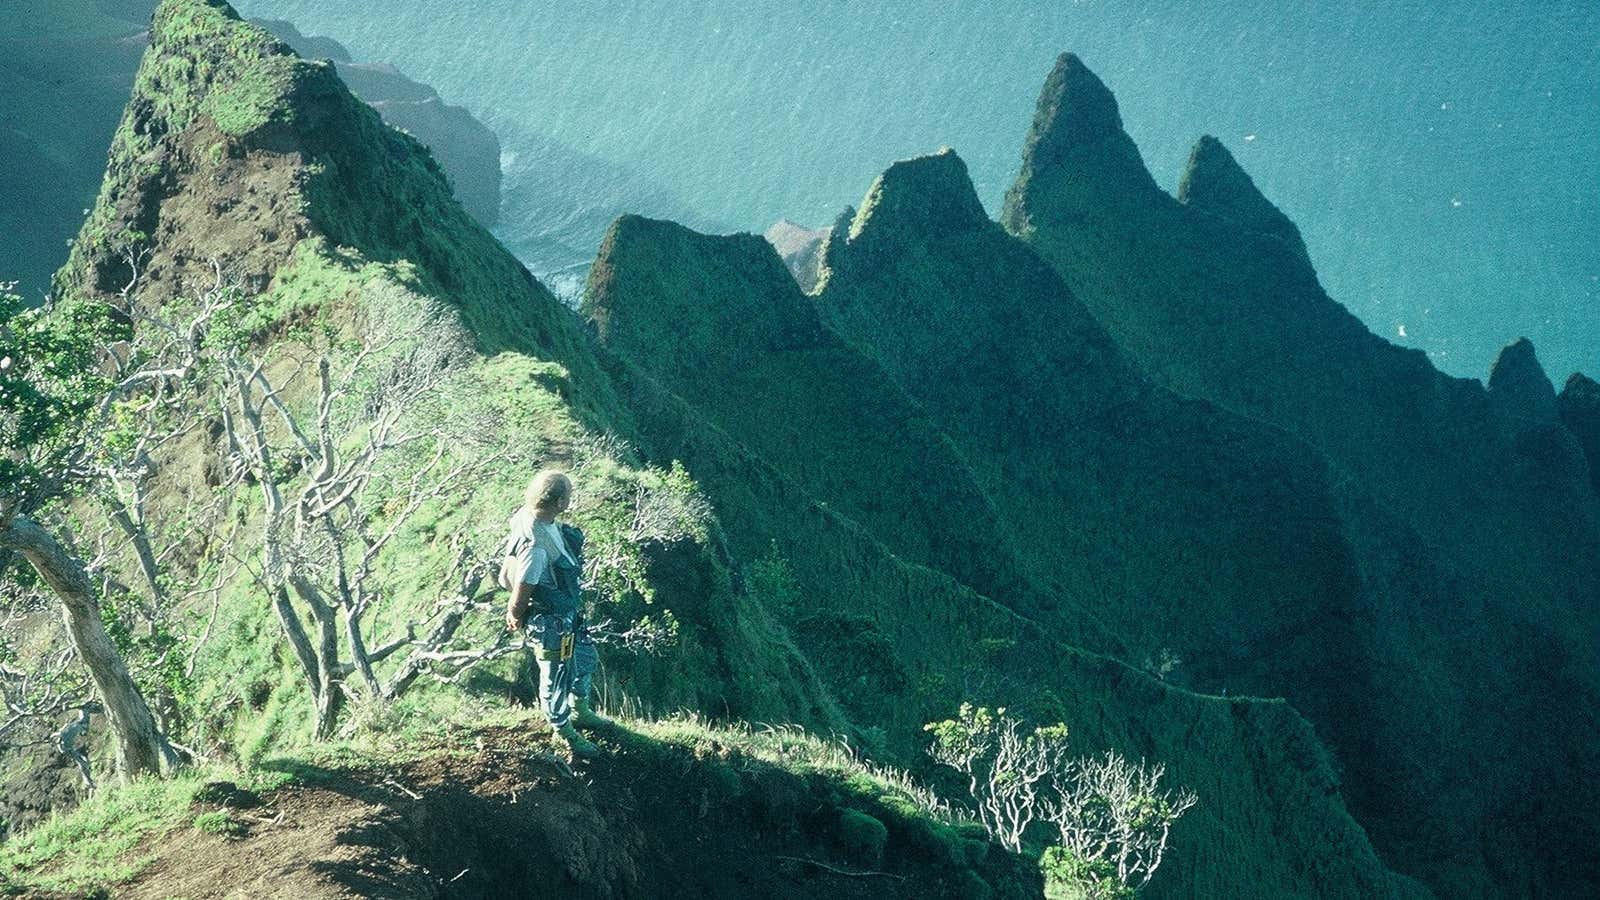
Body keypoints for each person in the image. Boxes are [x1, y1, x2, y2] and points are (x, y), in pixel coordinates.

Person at [502, 470, 602, 758]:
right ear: (558, 502)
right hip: (550, 623)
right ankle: (563, 729)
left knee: (584, 659)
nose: (570, 500)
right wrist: (514, 611)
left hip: (565, 615)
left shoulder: (531, 516)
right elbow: (526, 581)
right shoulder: (536, 545)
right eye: (567, 496)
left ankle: (580, 709)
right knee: (556, 675)